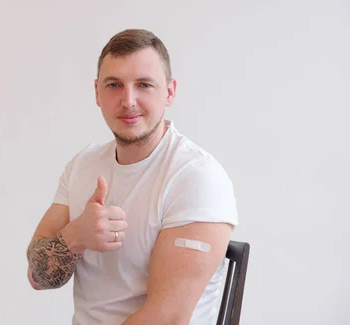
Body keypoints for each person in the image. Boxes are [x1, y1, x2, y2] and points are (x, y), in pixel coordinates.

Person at [26, 29, 239, 325]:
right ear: (97, 93)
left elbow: (166, 319)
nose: (128, 100)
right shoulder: (83, 165)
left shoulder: (196, 178)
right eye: (114, 84)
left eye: (144, 85)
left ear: (170, 92)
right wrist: (76, 235)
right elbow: (38, 277)